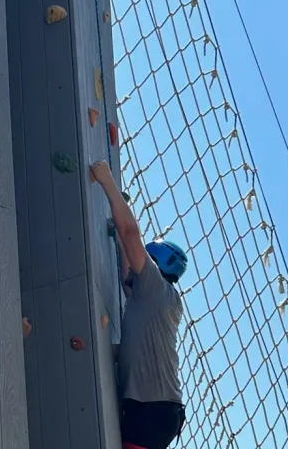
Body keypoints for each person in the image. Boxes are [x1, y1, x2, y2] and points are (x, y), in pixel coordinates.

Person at [90, 160, 188, 449]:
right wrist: (118, 241)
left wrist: (107, 181)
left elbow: (131, 233)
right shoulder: (156, 297)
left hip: (149, 410)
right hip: (160, 412)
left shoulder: (153, 285)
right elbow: (126, 278)